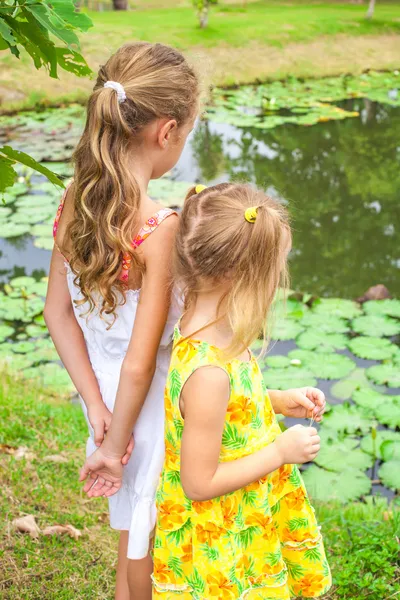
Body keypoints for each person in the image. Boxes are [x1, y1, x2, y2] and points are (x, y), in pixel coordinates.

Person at [44, 42, 199, 600]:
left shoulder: (73, 202)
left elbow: (56, 314)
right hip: (147, 415)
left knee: (132, 530)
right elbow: (141, 361)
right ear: (167, 131)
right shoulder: (160, 227)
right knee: (148, 550)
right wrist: (116, 441)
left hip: (107, 406)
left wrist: (95, 407)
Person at [151, 183, 332, 599]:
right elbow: (198, 483)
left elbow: (218, 413)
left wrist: (279, 401)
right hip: (220, 539)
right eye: (275, 271)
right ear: (244, 277)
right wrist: (280, 453)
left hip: (240, 520)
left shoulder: (209, 331)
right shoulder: (208, 372)